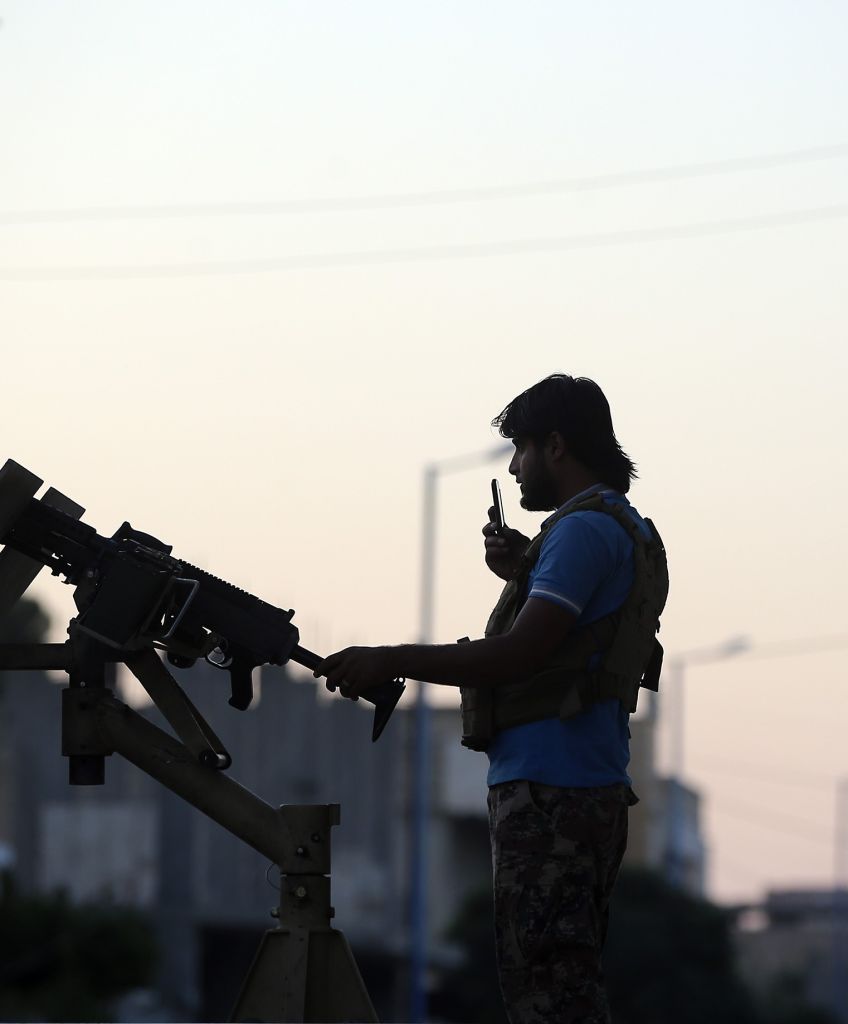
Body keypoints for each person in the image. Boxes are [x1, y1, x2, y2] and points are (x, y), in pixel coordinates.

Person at [315, 374, 669, 1024]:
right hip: (574, 788)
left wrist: (390, 658)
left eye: (521, 449)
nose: (514, 467)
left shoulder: (582, 532)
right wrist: (525, 571)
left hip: (552, 794)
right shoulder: (621, 527)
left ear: (555, 446)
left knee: (549, 995)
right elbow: (574, 642)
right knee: (560, 984)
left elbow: (518, 656)